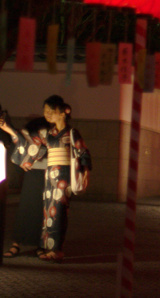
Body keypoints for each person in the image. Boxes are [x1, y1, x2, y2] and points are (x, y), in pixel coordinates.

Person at [0, 95, 91, 262]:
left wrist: (85, 173)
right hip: (49, 176)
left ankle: (55, 249)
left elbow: (82, 152)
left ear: (64, 112)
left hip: (63, 176)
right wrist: (9, 130)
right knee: (49, 213)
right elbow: (29, 143)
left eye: (51, 111)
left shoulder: (71, 132)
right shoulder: (48, 133)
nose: (47, 114)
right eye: (45, 111)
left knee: (59, 213)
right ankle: (47, 247)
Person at [3, 116, 49, 258]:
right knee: (25, 209)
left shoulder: (50, 134)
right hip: (32, 174)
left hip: (47, 174)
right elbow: (20, 142)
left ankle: (40, 245)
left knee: (42, 212)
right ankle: (16, 244)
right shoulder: (27, 134)